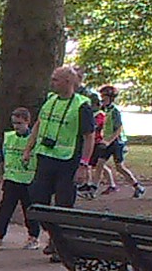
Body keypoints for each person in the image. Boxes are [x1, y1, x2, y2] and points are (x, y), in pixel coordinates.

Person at [26, 65, 98, 214]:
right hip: (45, 156)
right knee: (37, 198)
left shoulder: (81, 106)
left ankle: (60, 236)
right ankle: (51, 232)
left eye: (56, 80)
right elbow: (39, 124)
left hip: (67, 160)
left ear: (67, 82)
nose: (52, 83)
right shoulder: (50, 100)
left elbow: (89, 137)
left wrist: (83, 164)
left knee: (64, 204)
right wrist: (28, 149)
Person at [0, 108, 37, 247]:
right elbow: (2, 155)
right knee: (5, 209)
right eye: (14, 123)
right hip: (11, 178)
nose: (16, 126)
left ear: (27, 122)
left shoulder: (34, 140)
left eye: (19, 123)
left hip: (28, 180)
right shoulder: (9, 137)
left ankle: (33, 236)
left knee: (29, 210)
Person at [94, 86, 144, 199]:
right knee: (99, 164)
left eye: (104, 97)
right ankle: (93, 188)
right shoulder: (105, 109)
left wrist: (108, 141)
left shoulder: (115, 111)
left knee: (120, 167)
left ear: (110, 98)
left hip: (116, 142)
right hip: (107, 141)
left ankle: (137, 186)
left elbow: (118, 130)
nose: (102, 99)